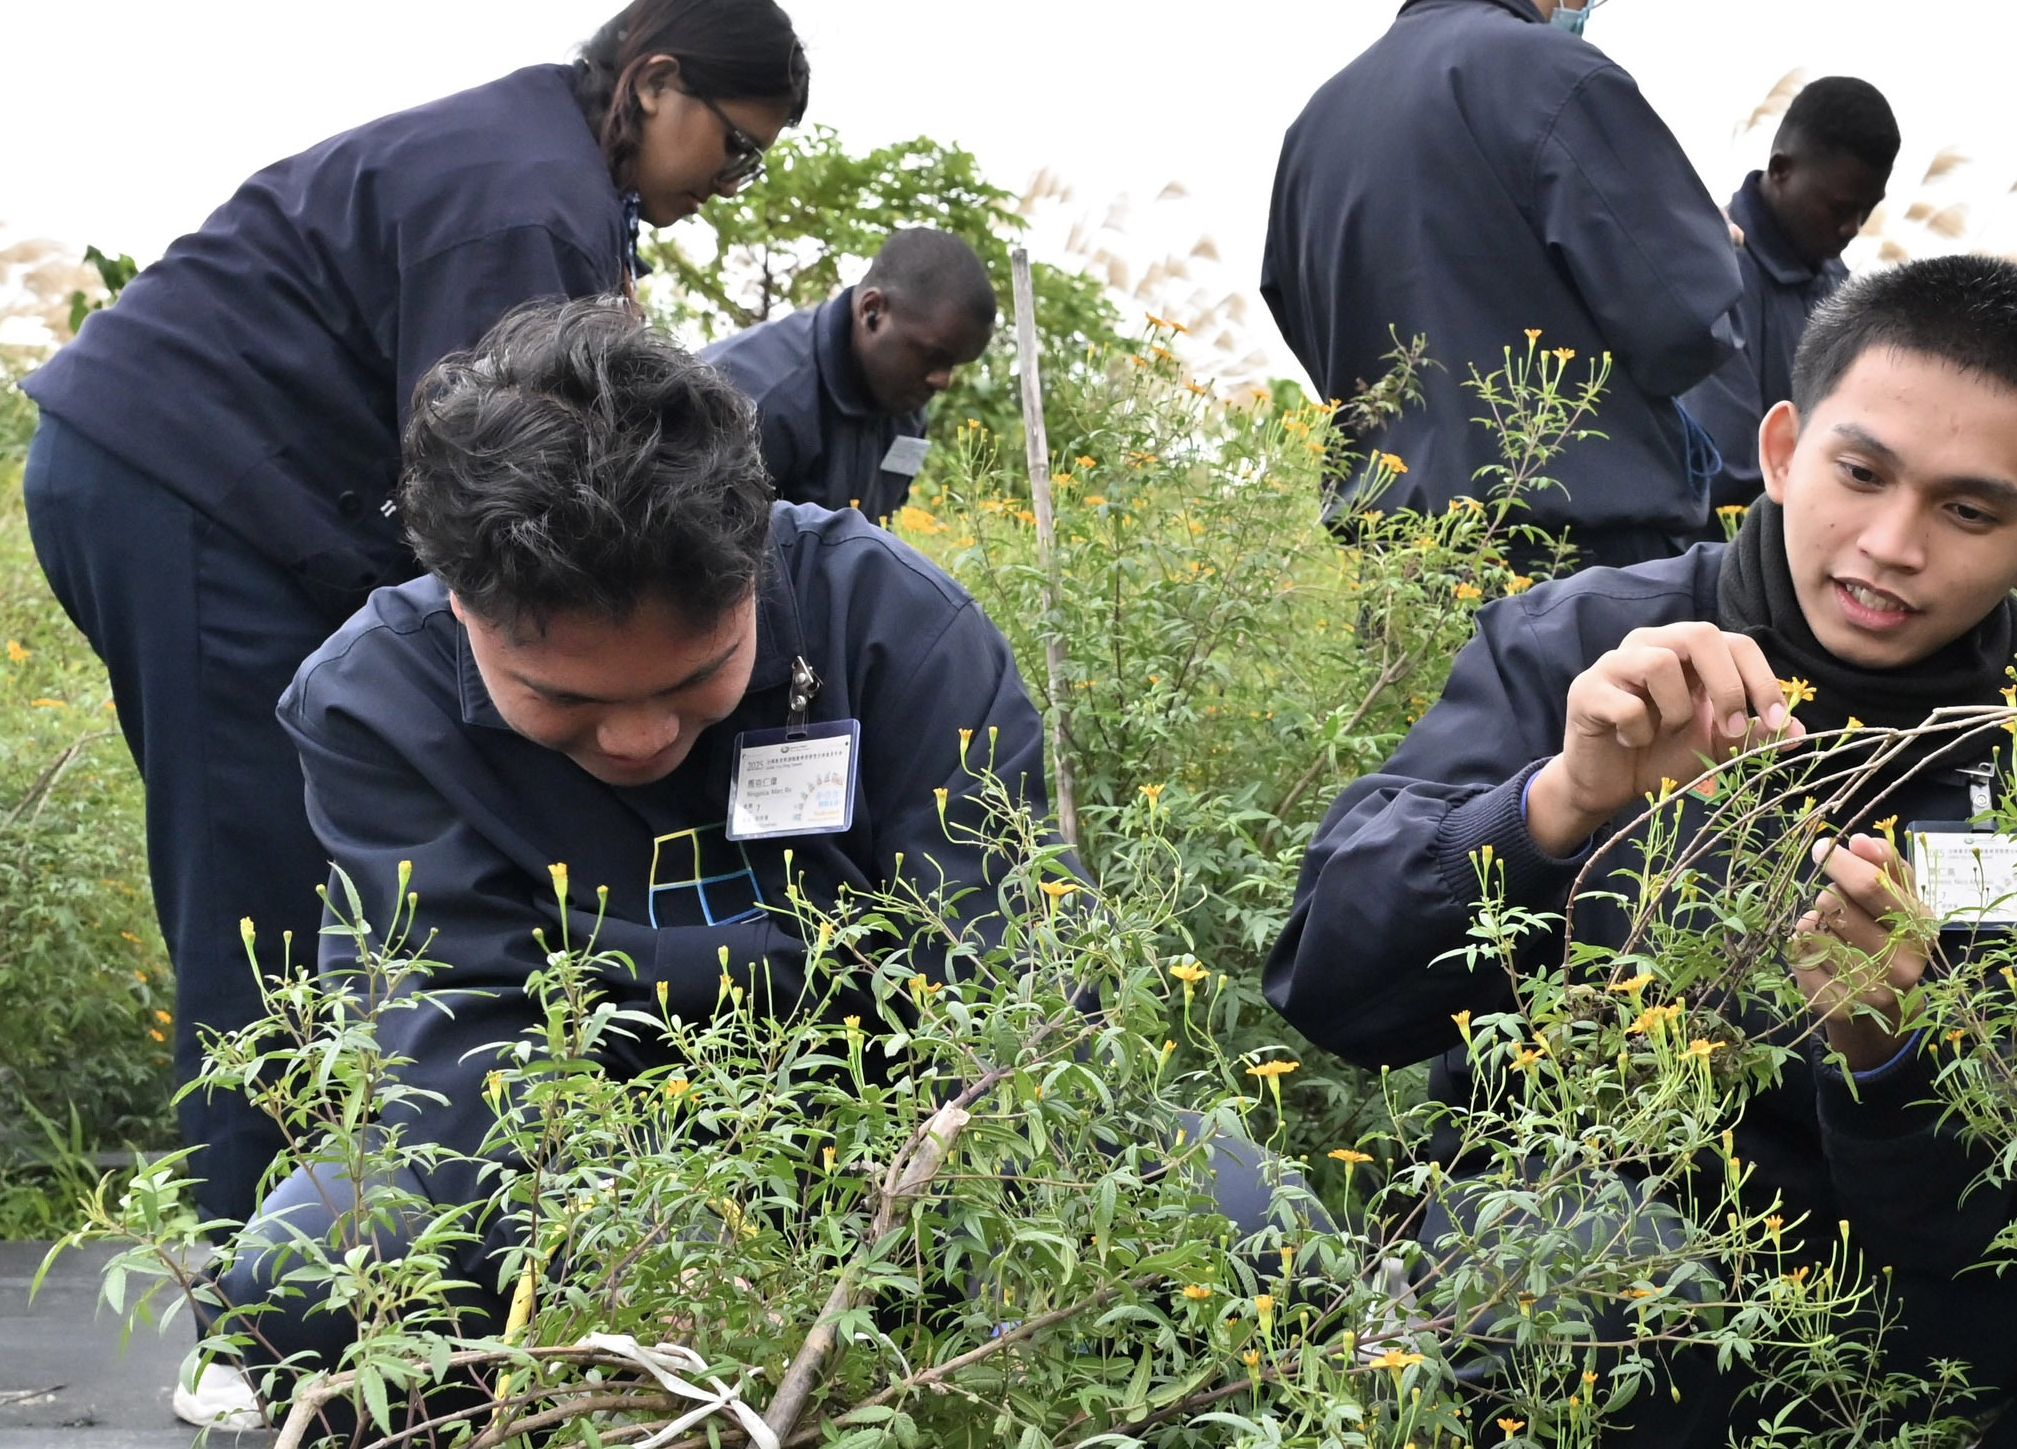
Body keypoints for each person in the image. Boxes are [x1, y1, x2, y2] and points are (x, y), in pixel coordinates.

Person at [214, 300, 1309, 1427]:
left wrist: (914, 1224)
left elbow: (1016, 991)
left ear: (755, 564)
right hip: (559, 1170)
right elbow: (450, 1059)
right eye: (566, 699)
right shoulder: (372, 703)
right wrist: (653, 1236)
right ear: (460, 599)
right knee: (308, 1269)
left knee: (1249, 1222)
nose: (638, 739)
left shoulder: (895, 627)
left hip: (896, 1141)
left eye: (697, 676)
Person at [17, 0, 808, 1269]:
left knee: (319, 863)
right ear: (655, 82)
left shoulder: (557, 179)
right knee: (258, 880)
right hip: (188, 490)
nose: (730, 185)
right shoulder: (521, 203)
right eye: (734, 150)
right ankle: (253, 1293)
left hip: (231, 504)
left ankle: (375, 1230)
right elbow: (503, 518)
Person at [1266, 256, 2017, 1444]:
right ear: (1781, 450)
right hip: (1584, 1255)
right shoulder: (1585, 642)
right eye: (1859, 472)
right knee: (1603, 1270)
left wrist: (1886, 1051)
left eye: (1968, 510)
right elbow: (1327, 984)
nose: (1890, 543)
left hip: (1880, 1305)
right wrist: (1554, 804)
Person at [1261, 0, 1743, 572]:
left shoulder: (1316, 124)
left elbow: (1305, 320)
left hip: (1399, 577)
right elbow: (1689, 324)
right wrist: (1708, 236)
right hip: (1574, 574)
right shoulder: (1558, 78)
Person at [1681, 77, 1900, 529]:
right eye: (1839, 208)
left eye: (1867, 210)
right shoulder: (1720, 277)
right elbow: (1731, 474)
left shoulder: (1840, 288)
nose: (1852, 228)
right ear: (1781, 170)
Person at [701, 227, 996, 521]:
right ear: (872, 312)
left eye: (955, 364)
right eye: (934, 356)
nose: (942, 381)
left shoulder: (902, 405)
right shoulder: (753, 402)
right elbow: (691, 547)